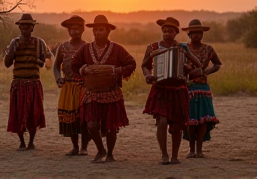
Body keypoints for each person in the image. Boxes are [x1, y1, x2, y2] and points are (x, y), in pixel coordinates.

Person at [71, 14, 136, 163]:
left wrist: (118, 71)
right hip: (91, 92)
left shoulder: (117, 49)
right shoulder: (85, 49)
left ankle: (110, 154)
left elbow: (131, 63)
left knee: (111, 127)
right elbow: (74, 65)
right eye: (95, 30)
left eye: (101, 30)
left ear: (108, 31)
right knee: (92, 125)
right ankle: (101, 150)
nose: (97, 32)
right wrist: (83, 70)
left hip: (111, 92)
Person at [141, 17, 201, 165]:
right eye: (165, 30)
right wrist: (148, 76)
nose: (167, 33)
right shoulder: (154, 47)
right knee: (161, 122)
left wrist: (188, 68)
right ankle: (164, 155)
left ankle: (174, 156)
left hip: (178, 89)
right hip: (161, 89)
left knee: (176, 126)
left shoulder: (182, 48)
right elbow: (144, 65)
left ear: (176, 33)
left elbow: (197, 64)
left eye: (170, 31)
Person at [4, 13, 52, 151]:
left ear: (32, 28)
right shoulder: (14, 43)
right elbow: (7, 64)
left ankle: (31, 142)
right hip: (18, 82)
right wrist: (11, 52)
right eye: (22, 26)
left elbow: (46, 63)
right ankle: (22, 142)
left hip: (33, 82)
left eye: (28, 26)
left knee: (33, 112)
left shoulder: (39, 43)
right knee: (18, 112)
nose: (25, 29)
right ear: (19, 28)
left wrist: (38, 60)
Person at [181, 19, 221, 158]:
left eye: (199, 32)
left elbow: (217, 64)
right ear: (189, 34)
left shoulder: (208, 49)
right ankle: (191, 149)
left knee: (203, 119)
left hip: (203, 87)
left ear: (202, 34)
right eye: (193, 32)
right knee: (191, 120)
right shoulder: (183, 48)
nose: (196, 35)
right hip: (188, 87)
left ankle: (199, 150)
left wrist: (205, 72)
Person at [53, 15, 90, 156]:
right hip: (68, 86)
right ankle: (75, 146)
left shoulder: (87, 47)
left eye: (77, 29)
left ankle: (84, 147)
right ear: (68, 31)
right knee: (71, 118)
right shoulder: (62, 47)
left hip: (83, 86)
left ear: (82, 30)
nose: (74, 32)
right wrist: (58, 78)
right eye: (72, 29)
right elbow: (56, 66)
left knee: (84, 118)